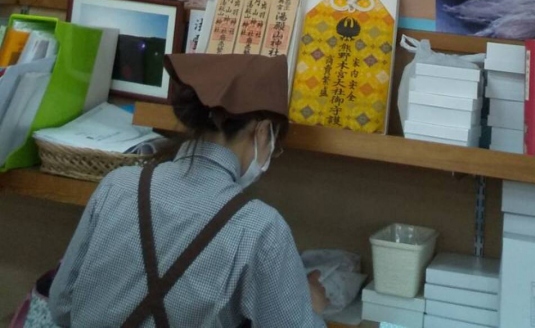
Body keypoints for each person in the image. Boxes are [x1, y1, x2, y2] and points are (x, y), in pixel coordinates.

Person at [45, 53, 327, 328]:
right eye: (274, 143)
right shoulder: (261, 228)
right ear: (263, 130)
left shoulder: (117, 185)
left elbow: (61, 306)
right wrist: (309, 306)